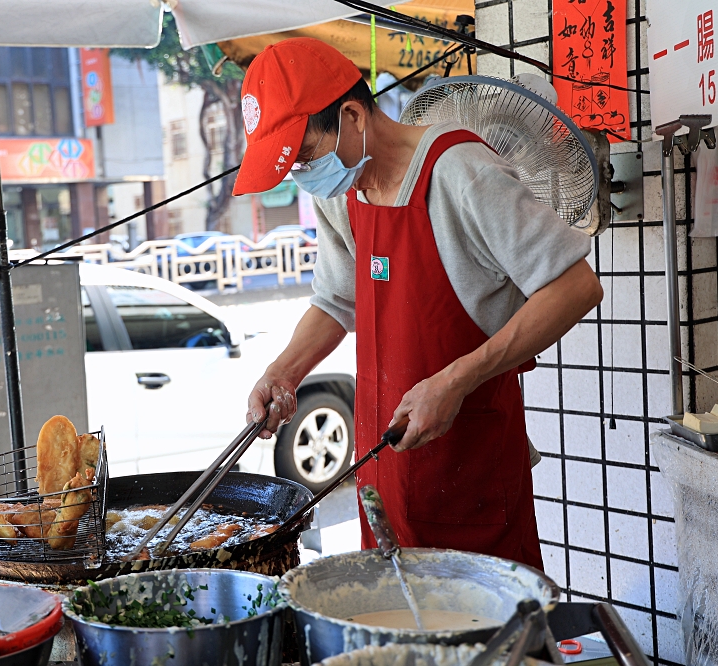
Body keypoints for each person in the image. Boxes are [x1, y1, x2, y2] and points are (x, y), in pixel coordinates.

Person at [233, 38, 603, 570]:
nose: (304, 175)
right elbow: (336, 300)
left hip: (470, 471)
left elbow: (575, 287)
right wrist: (283, 371)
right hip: (382, 481)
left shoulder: (461, 174)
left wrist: (455, 381)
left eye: (306, 157)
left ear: (353, 115)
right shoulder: (342, 194)